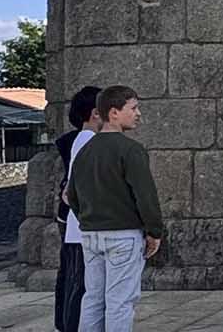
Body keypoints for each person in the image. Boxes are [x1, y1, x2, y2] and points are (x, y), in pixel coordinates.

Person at [68, 85, 164, 332]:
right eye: (133, 108)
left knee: (93, 299)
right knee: (120, 302)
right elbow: (145, 196)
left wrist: (87, 221)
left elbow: (72, 195)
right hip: (123, 234)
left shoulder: (85, 151)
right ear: (113, 113)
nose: (138, 113)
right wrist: (154, 230)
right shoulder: (130, 150)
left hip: (91, 234)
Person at [54, 85, 101, 332]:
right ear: (96, 113)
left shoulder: (83, 139)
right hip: (81, 229)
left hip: (80, 227)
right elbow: (74, 190)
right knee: (78, 285)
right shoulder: (86, 140)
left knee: (78, 284)